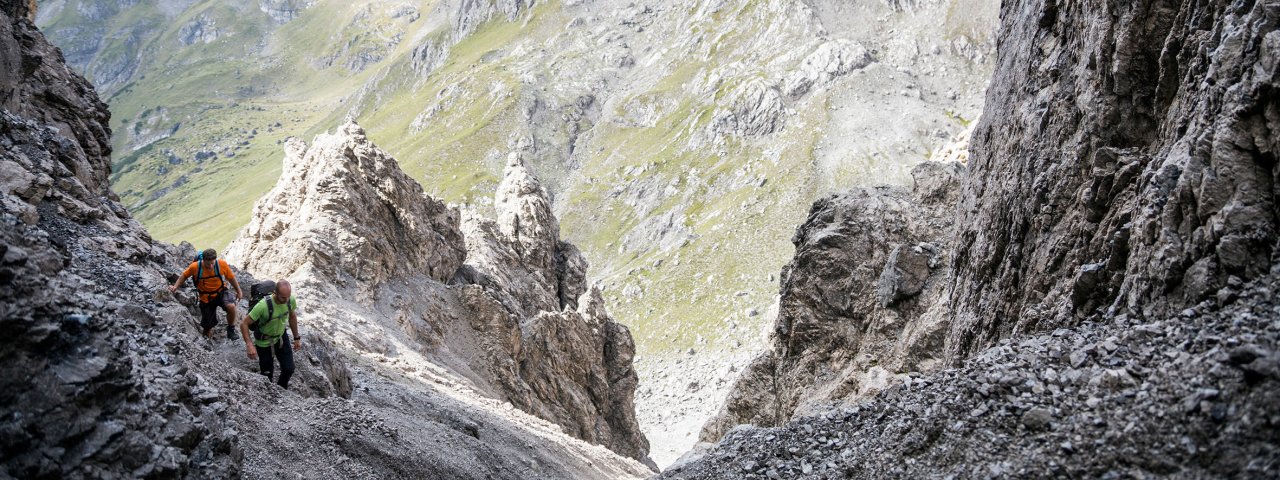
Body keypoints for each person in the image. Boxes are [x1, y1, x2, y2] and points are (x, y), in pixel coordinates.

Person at [170, 248, 243, 340]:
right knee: (207, 326)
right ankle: (207, 341)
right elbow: (184, 276)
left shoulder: (221, 264)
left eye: (213, 263)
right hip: (205, 297)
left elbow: (231, 278)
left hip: (221, 291)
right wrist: (175, 286)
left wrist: (239, 291)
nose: (211, 266)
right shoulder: (195, 267)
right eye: (208, 264)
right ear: (203, 260)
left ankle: (231, 330)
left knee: (231, 306)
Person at [241, 279, 301, 389]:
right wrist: (249, 345)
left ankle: (281, 390)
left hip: (281, 337)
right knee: (267, 373)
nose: (286, 300)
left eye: (288, 296)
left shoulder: (289, 300)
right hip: (263, 342)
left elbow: (292, 316)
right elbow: (244, 324)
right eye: (283, 297)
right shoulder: (262, 306)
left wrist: (297, 337)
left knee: (289, 368)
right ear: (275, 293)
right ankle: (268, 395)